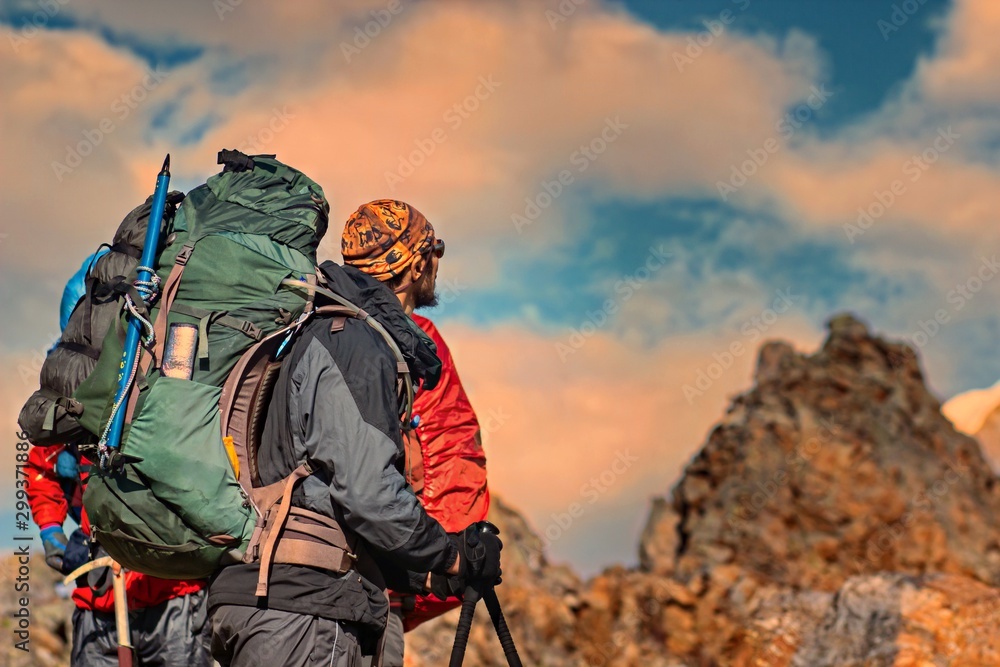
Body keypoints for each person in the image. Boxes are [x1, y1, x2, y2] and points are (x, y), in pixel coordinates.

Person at [206, 247, 502, 666]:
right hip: (307, 608)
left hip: (256, 595)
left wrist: (429, 574)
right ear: (415, 265)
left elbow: (325, 497)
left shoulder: (303, 329)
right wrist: (451, 555)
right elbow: (369, 495)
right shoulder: (357, 342)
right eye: (434, 252)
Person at [27, 255, 212, 666]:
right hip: (99, 593)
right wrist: (52, 533)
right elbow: (42, 466)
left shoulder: (174, 385)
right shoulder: (68, 396)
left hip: (173, 593)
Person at [341, 199, 490, 664]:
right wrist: (445, 568)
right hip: (375, 588)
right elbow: (449, 449)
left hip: (279, 585)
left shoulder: (316, 330)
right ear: (415, 264)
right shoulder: (417, 344)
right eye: (435, 251)